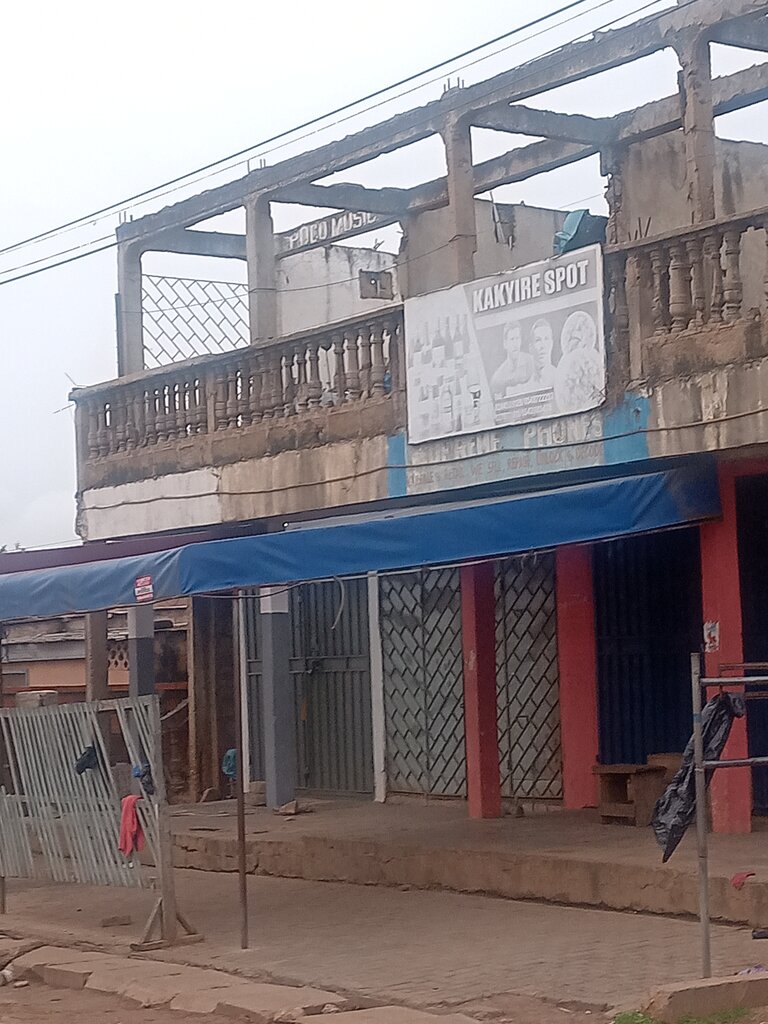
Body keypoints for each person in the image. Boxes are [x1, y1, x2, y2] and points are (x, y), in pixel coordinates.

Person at [491, 322, 533, 397]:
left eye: (517, 338)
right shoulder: (498, 378)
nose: (515, 344)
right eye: (512, 339)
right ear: (505, 344)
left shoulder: (531, 362)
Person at [530, 318, 556, 389]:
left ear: (551, 343)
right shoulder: (525, 384)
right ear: (531, 348)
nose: (543, 346)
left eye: (546, 339)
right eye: (538, 340)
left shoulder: (559, 376)